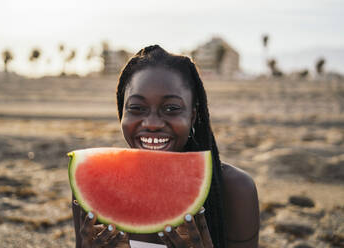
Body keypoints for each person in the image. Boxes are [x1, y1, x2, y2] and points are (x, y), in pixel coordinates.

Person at [71, 45, 259, 248]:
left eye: (171, 108)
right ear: (121, 114)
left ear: (192, 116)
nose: (152, 123)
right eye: (137, 108)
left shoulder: (235, 189)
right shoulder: (97, 184)